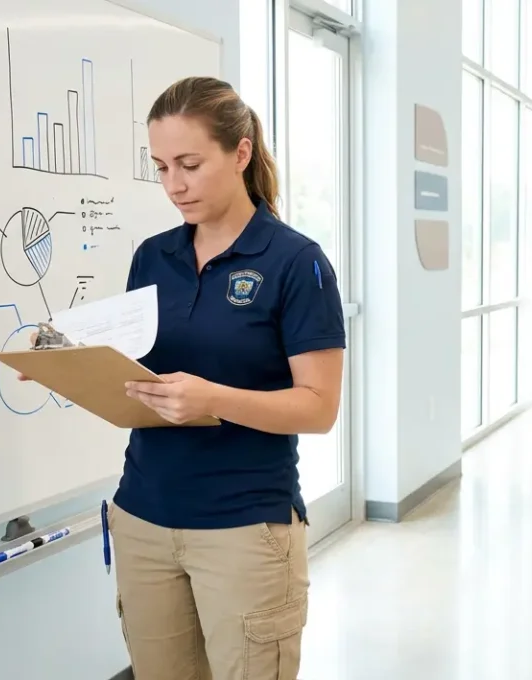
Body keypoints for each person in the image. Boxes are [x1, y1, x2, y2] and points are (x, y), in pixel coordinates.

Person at [25, 76, 344, 680]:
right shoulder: (153, 256)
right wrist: (63, 365)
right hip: (143, 515)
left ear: (241, 153)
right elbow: (134, 371)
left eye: (190, 165)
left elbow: (319, 408)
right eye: (161, 167)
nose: (174, 184)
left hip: (245, 526)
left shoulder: (296, 263)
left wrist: (212, 398)